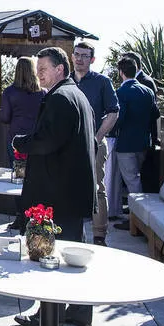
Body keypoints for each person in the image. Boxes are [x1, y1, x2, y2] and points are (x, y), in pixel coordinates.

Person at [12, 46, 97, 326]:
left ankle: (52, 316)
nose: (38, 74)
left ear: (60, 69)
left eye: (43, 69)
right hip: (72, 191)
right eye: (37, 70)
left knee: (54, 255)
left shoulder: (61, 98)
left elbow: (47, 141)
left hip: (59, 193)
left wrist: (21, 143)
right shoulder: (76, 95)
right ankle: (79, 312)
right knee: (73, 254)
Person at [69, 41, 119, 246]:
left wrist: (96, 138)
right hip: (69, 145)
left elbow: (114, 112)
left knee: (97, 189)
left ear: (92, 59)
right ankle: (71, 234)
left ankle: (99, 237)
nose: (80, 59)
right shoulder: (65, 81)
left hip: (95, 144)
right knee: (68, 188)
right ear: (71, 56)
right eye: (77, 54)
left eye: (84, 55)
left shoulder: (102, 82)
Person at [112, 58, 160, 232]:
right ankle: (138, 218)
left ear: (121, 72)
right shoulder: (148, 90)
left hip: (126, 144)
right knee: (136, 180)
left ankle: (135, 221)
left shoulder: (122, 92)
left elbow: (120, 118)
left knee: (132, 182)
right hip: (143, 142)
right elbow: (156, 113)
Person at [0, 57, 46, 164]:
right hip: (36, 137)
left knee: (17, 171)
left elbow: (5, 118)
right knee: (36, 171)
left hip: (15, 136)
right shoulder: (43, 92)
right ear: (33, 70)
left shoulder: (9, 92)